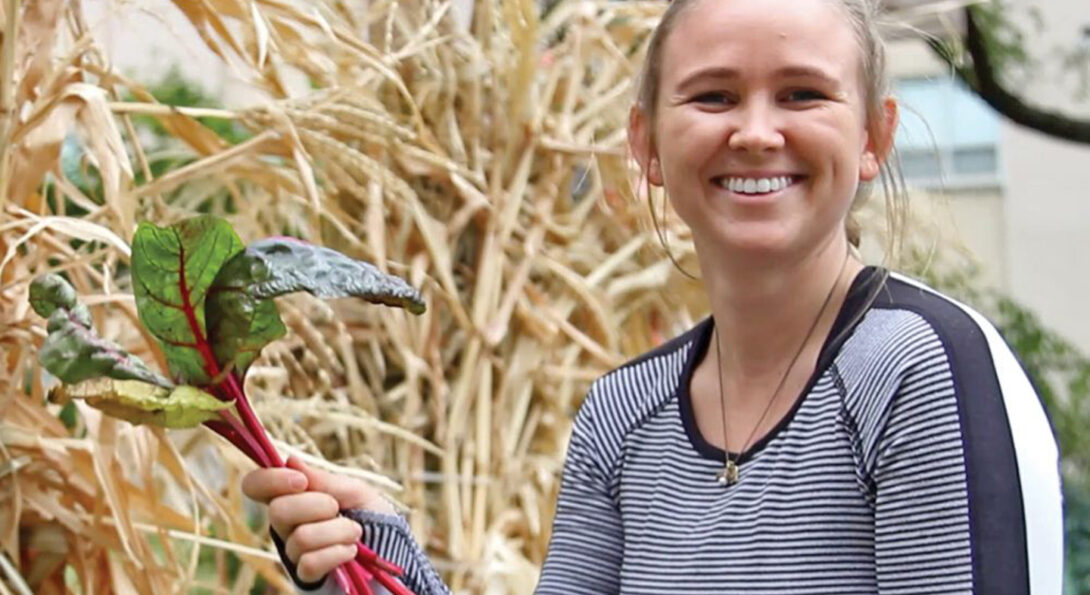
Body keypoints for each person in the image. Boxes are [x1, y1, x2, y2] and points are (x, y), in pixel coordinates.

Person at [242, 0, 1065, 592]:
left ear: (873, 139)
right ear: (649, 146)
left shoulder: (921, 370)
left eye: (802, 94)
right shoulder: (625, 411)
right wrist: (376, 560)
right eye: (713, 96)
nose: (754, 131)